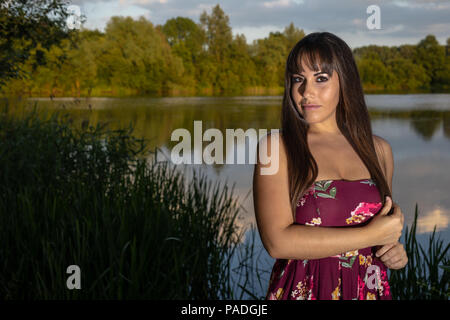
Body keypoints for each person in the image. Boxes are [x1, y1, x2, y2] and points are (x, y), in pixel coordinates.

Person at [252, 32, 408, 300]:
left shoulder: (379, 151)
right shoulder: (276, 148)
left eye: (320, 78)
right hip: (305, 290)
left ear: (344, 83)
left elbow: (383, 235)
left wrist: (394, 253)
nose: (306, 91)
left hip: (367, 290)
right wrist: (369, 235)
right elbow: (277, 243)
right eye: (298, 79)